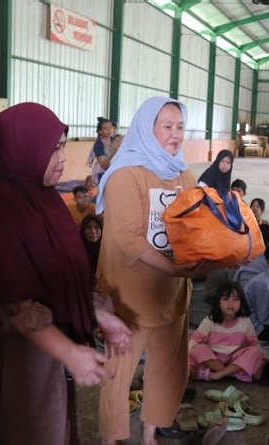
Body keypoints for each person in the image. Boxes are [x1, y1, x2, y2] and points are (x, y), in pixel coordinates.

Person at [0, 102, 131, 445]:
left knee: (51, 427)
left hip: (49, 350)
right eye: (53, 148)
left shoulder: (45, 200)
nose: (63, 156)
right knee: (26, 430)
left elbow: (61, 277)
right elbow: (11, 303)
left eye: (63, 145)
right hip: (17, 357)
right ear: (23, 149)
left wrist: (97, 315)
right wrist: (68, 352)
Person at [94, 97, 214, 445]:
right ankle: (110, 438)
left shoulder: (182, 173)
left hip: (170, 295)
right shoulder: (124, 175)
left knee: (167, 369)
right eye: (167, 126)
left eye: (180, 126)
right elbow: (130, 240)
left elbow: (194, 225)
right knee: (119, 373)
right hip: (128, 294)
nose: (176, 134)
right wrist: (178, 270)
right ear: (148, 128)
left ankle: (149, 435)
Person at [188, 281, 265, 382]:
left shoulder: (245, 322)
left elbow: (254, 345)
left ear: (241, 303)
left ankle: (217, 375)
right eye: (225, 299)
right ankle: (229, 373)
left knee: (256, 352)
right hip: (213, 360)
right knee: (196, 349)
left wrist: (258, 359)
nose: (230, 303)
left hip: (234, 361)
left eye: (236, 299)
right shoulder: (210, 321)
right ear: (218, 303)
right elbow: (193, 343)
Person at [87, 117, 114, 183]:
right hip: (103, 172)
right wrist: (114, 153)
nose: (109, 130)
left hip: (113, 170)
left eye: (110, 127)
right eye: (105, 128)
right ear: (100, 132)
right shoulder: (99, 144)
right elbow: (103, 165)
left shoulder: (115, 140)